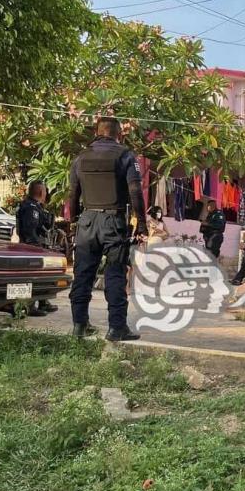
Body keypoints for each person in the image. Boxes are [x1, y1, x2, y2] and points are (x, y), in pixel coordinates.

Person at [68, 117, 148, 341]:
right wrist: (141, 224)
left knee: (82, 274)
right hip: (113, 221)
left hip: (87, 222)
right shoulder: (125, 156)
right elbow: (135, 192)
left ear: (96, 132)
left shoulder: (80, 158)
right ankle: (116, 328)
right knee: (115, 274)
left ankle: (79, 326)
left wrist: (74, 219)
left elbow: (73, 193)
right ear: (119, 134)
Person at [15, 180, 58, 316]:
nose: (46, 194)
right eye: (45, 191)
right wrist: (36, 247)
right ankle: (30, 306)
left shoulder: (34, 206)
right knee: (33, 277)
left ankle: (43, 302)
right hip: (31, 247)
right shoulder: (31, 207)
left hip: (33, 246)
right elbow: (30, 230)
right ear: (41, 192)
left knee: (42, 275)